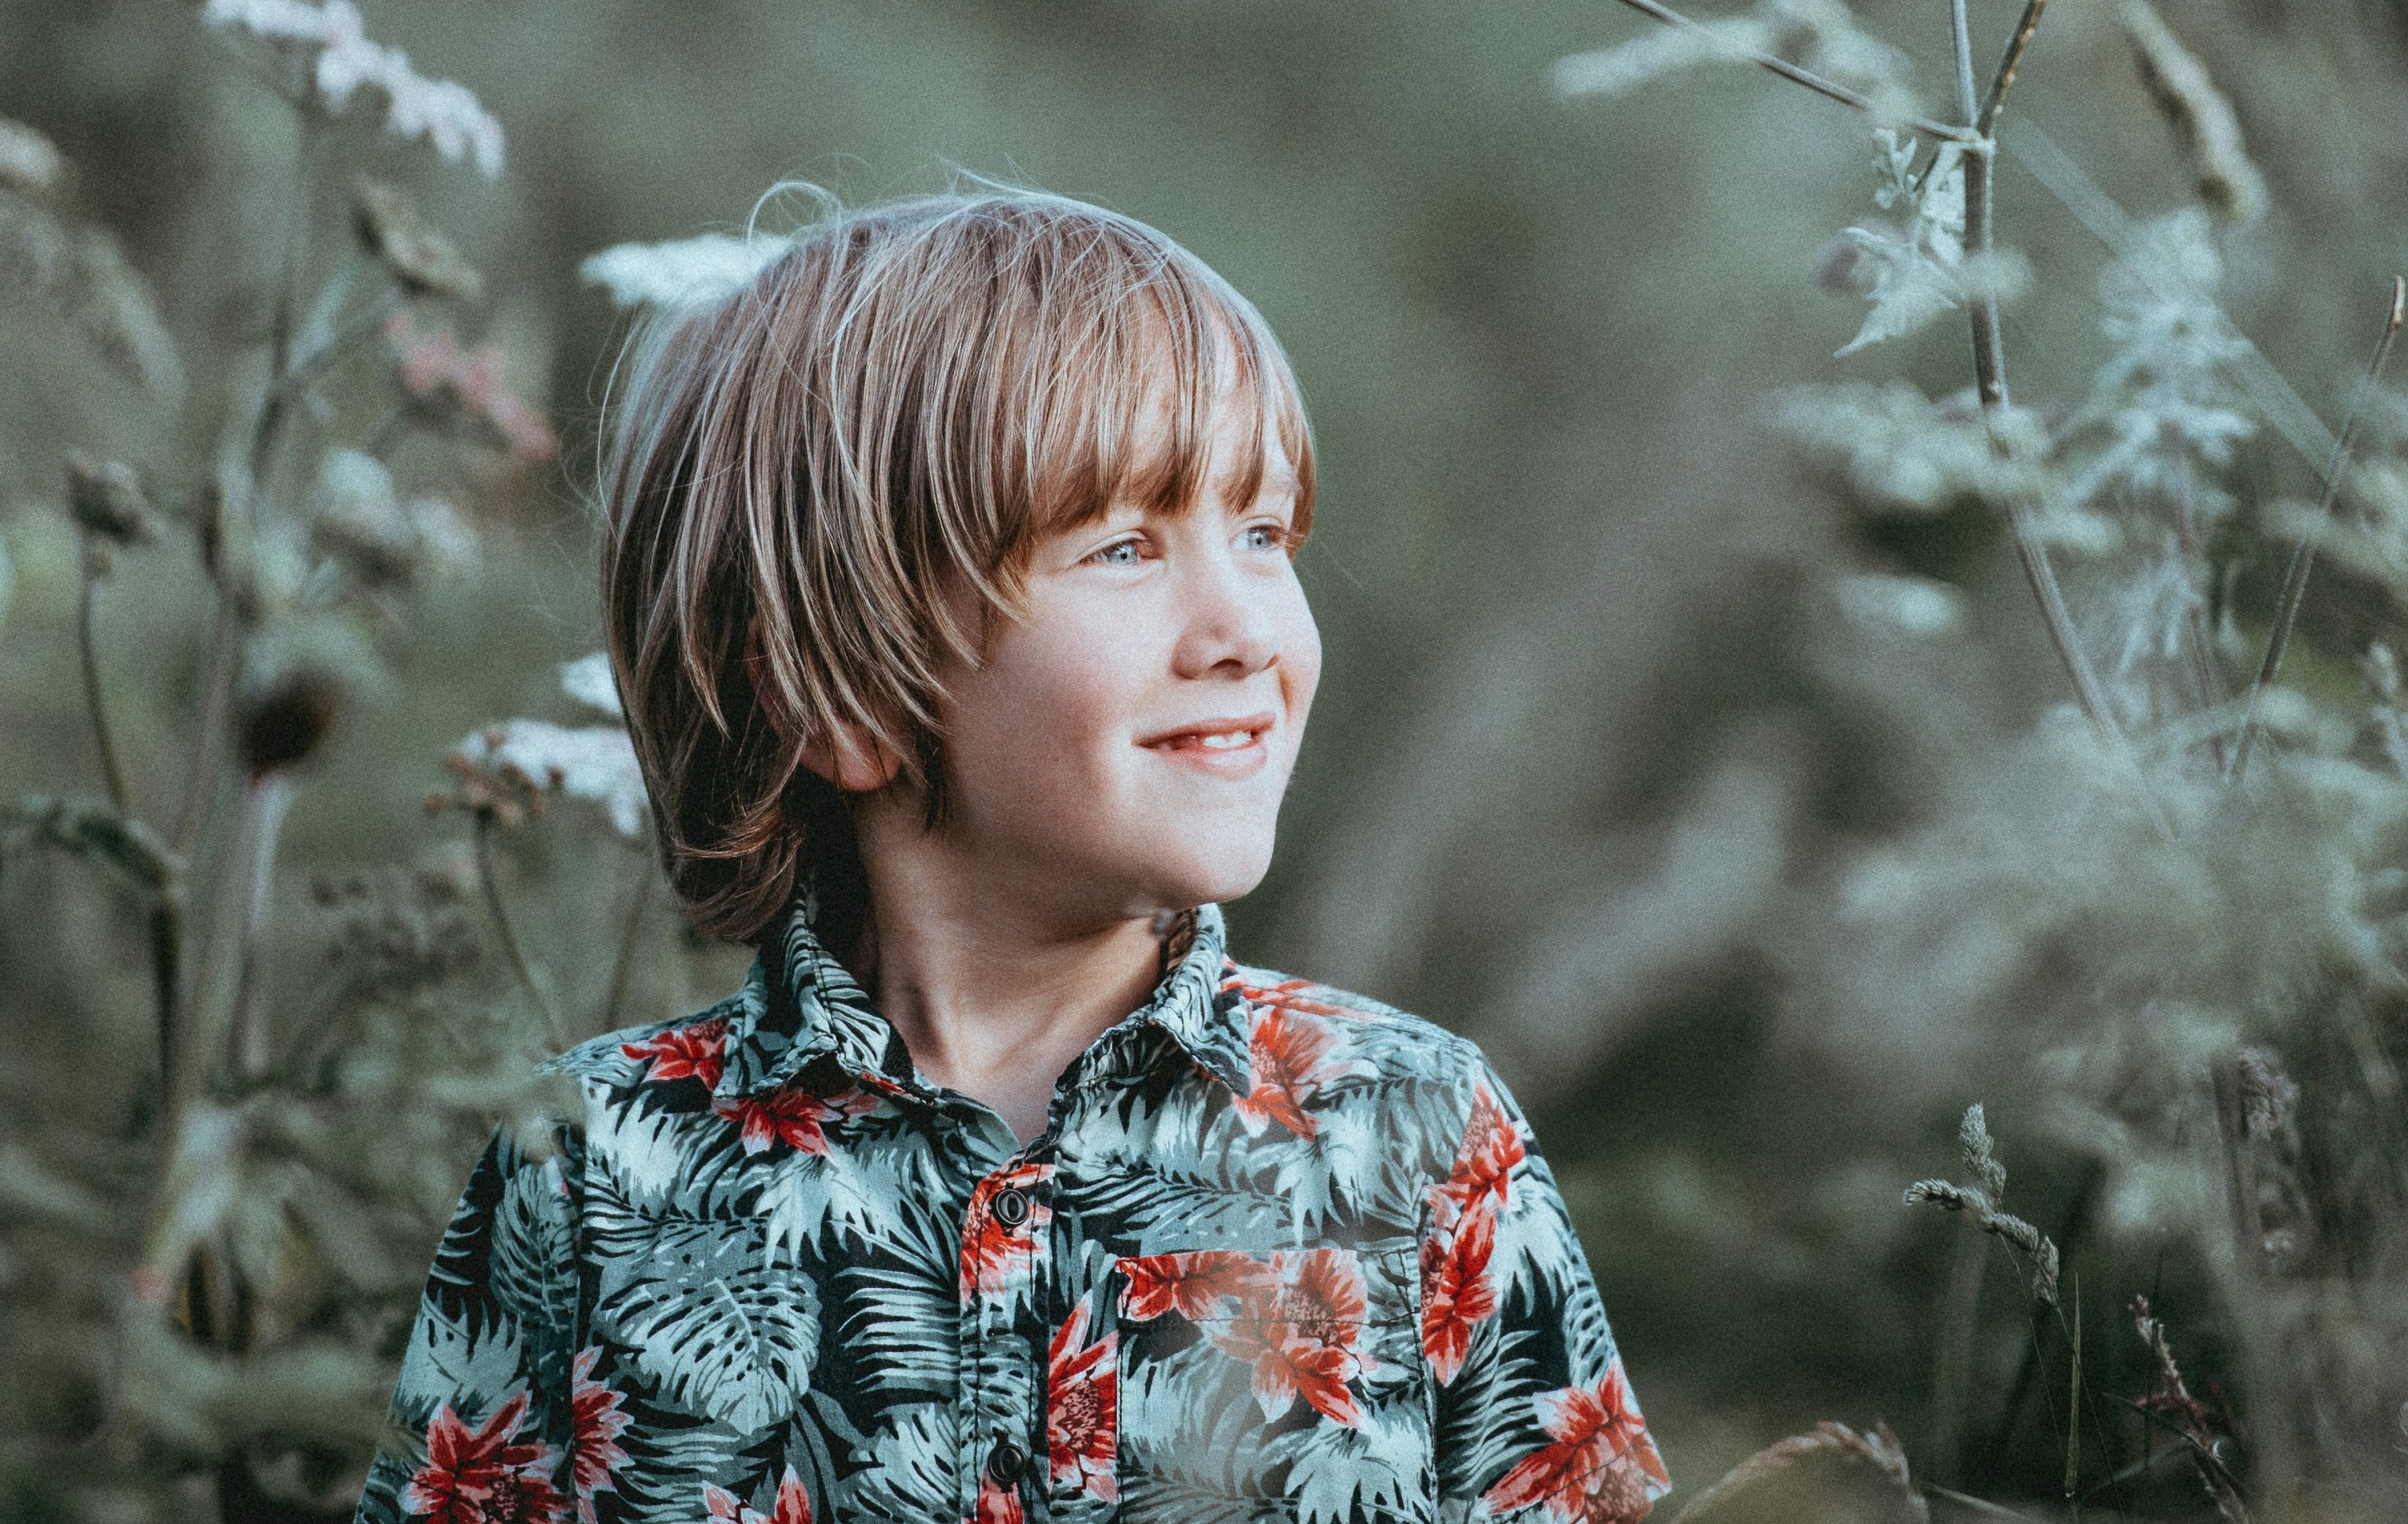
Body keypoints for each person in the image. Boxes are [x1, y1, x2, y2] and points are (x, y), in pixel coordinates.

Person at [359, 191, 1667, 1524]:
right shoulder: (589, 1171)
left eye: (1265, 535)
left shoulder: (1422, 1139)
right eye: (1123, 547)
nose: (1243, 629)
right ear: (836, 702)